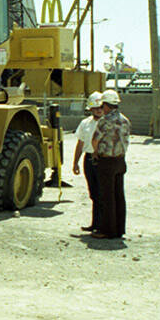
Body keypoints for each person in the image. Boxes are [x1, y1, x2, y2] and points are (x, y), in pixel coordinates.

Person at [90, 88, 131, 239]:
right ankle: (119, 229)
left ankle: (107, 230)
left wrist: (95, 152)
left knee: (107, 197)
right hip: (120, 160)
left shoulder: (104, 121)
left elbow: (95, 140)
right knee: (119, 196)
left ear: (106, 105)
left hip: (106, 161)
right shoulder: (125, 120)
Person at [72, 92, 103, 232]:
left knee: (104, 193)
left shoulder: (107, 123)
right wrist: (75, 163)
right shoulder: (85, 124)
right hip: (89, 159)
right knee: (94, 193)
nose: (99, 110)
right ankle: (95, 224)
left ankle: (103, 225)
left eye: (101, 107)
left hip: (103, 160)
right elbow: (80, 143)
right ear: (90, 109)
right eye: (96, 108)